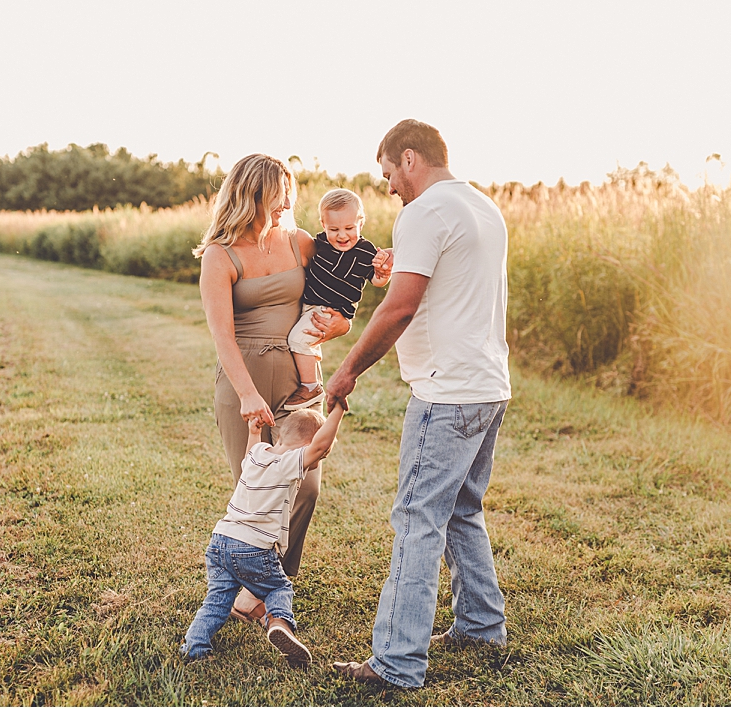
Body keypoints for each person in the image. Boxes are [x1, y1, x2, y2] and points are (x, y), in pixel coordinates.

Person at [325, 120, 513, 688]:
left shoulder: (424, 211)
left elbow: (400, 308)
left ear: (409, 158)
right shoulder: (482, 206)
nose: (388, 187)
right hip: (488, 384)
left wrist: (347, 370)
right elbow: (441, 291)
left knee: (416, 519)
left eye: (388, 173)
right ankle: (480, 626)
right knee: (461, 508)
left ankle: (396, 662)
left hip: (446, 393)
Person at [193, 153, 351, 624]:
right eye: (279, 196)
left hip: (299, 384)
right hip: (244, 382)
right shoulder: (220, 255)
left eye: (289, 195)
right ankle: (256, 593)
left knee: (307, 485)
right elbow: (222, 336)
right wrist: (247, 394)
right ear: (253, 195)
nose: (287, 204)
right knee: (257, 490)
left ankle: (258, 590)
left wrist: (339, 326)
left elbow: (338, 298)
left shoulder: (300, 243)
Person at [180, 405, 346, 665]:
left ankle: (195, 647)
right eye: (321, 456)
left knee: (217, 601)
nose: (318, 460)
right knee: (279, 587)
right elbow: (319, 445)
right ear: (306, 447)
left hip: (221, 540)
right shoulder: (287, 463)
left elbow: (249, 454)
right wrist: (339, 409)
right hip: (253, 547)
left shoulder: (258, 454)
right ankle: (279, 622)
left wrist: (254, 432)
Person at [283, 188, 393, 411]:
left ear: (360, 223)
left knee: (297, 340)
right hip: (309, 304)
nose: (342, 236)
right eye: (334, 229)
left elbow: (376, 281)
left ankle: (310, 387)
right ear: (323, 225)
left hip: (330, 309)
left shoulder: (365, 252)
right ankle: (309, 382)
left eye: (349, 228)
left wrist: (383, 273)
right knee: (307, 344)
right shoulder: (321, 243)